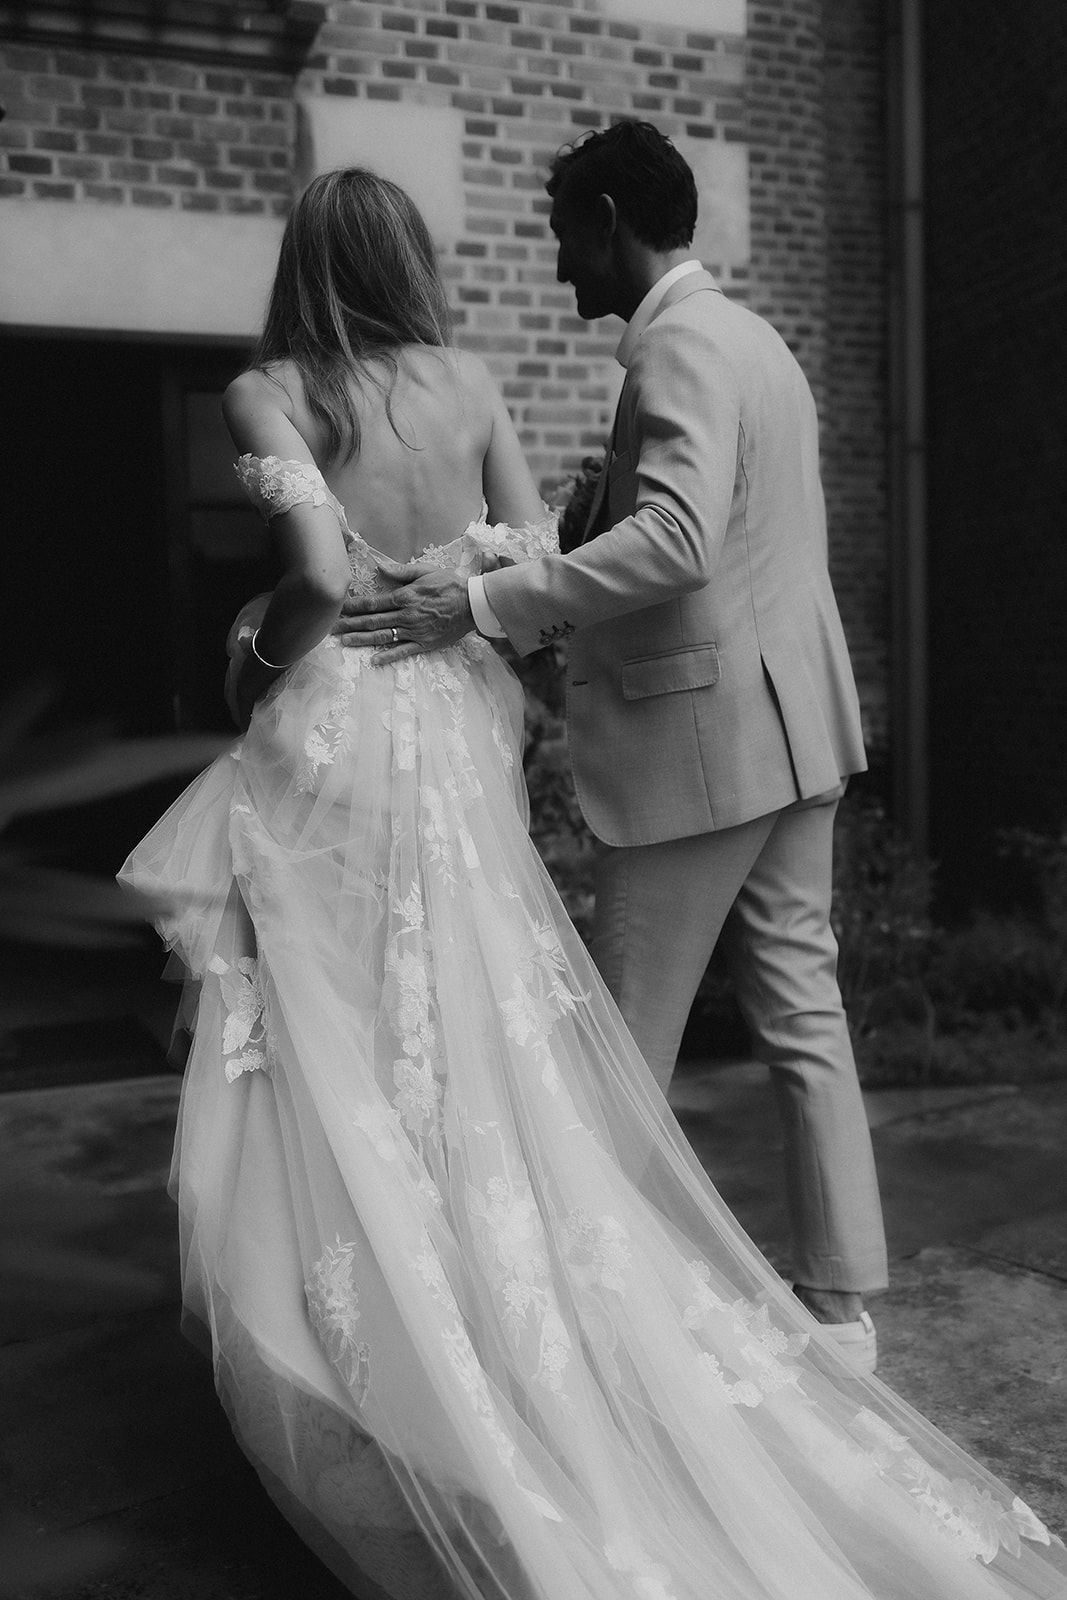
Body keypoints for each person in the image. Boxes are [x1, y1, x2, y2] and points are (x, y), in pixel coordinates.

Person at [120, 167, 1067, 1600]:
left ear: (302, 263)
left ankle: (389, 1322)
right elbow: (531, 553)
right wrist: (480, 576)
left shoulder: (275, 389)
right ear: (406, 262)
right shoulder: (474, 378)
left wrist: (255, 651)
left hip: (342, 722)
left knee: (338, 1022)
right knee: (481, 1005)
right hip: (458, 714)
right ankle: (685, 1296)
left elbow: (314, 570)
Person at [334, 120, 886, 1372]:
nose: (558, 268)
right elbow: (731, 540)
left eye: (562, 239)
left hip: (698, 745)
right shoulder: (756, 341)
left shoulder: (679, 345)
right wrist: (594, 513)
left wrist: (480, 604)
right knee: (803, 1013)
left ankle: (592, 1332)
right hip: (797, 727)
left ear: (605, 220)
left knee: (622, 1044)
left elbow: (682, 542)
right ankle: (841, 1311)